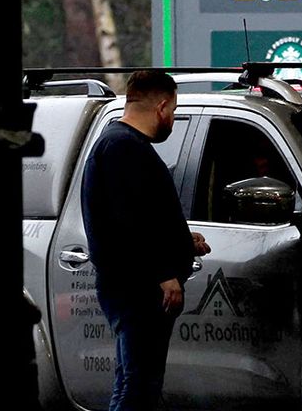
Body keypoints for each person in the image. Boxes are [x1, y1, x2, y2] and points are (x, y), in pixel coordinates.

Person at [81, 70, 211, 411]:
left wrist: (183, 240)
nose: (171, 119)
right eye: (173, 110)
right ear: (163, 106)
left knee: (134, 382)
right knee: (137, 388)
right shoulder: (123, 148)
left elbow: (143, 215)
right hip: (137, 289)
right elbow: (129, 223)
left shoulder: (120, 144)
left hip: (132, 285)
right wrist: (164, 274)